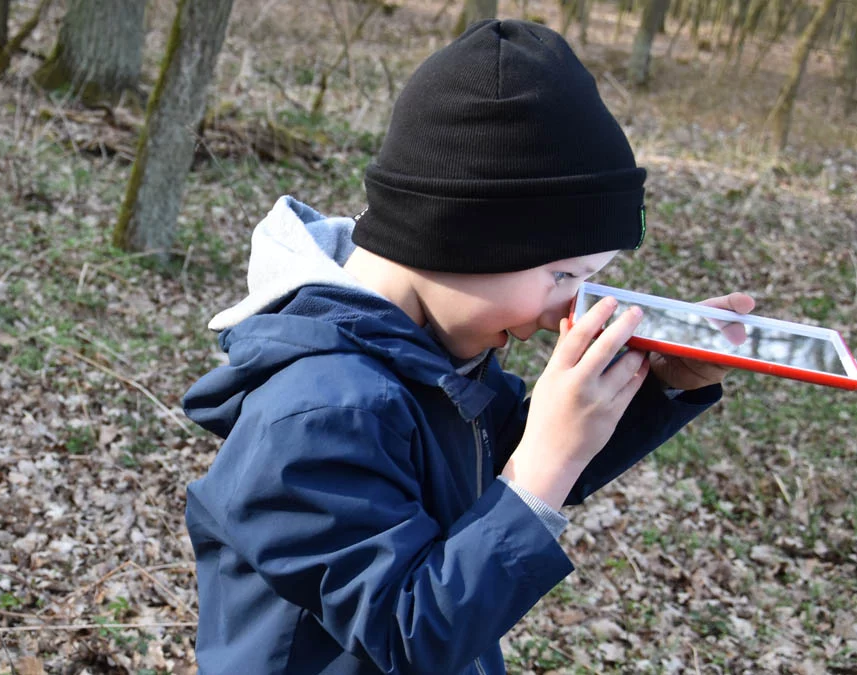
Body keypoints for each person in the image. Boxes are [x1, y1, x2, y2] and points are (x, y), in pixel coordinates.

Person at [180, 19, 754, 675]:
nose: (569, 303)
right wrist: (543, 466)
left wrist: (666, 383)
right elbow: (410, 633)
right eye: (562, 274)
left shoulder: (433, 354)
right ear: (458, 238)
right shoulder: (321, 413)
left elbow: (513, 460)